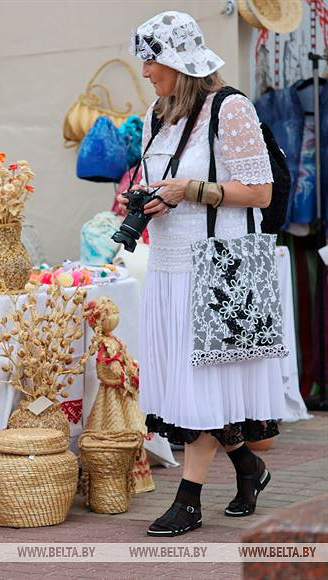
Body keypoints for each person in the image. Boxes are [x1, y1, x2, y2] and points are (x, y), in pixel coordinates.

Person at [120, 12, 284, 537]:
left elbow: (260, 192)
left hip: (219, 269)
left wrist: (189, 189)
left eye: (151, 60)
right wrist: (149, 199)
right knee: (190, 385)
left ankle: (188, 499)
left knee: (201, 381)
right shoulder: (156, 113)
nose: (145, 71)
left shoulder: (231, 108)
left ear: (177, 61)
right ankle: (248, 468)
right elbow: (163, 180)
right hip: (169, 267)